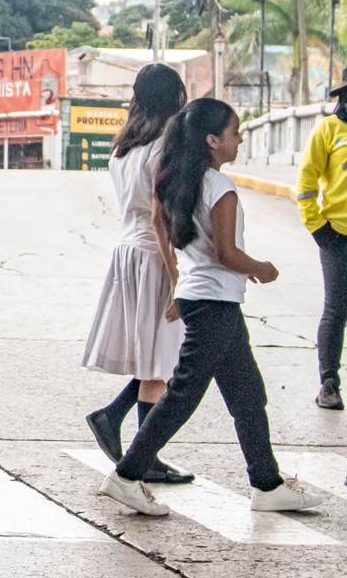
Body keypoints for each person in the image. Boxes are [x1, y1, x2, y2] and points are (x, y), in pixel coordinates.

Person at [99, 98, 328, 516]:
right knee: (182, 395)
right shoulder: (220, 187)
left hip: (202, 297)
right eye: (234, 133)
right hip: (214, 302)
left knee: (247, 393)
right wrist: (261, 268)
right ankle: (127, 475)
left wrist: (178, 285)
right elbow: (226, 253)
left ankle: (267, 483)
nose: (239, 141)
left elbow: (169, 235)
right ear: (211, 140)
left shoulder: (177, 182)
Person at [82, 64, 193, 484]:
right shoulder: (167, 142)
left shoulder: (125, 145)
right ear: (176, 95)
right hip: (152, 255)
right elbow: (162, 218)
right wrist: (176, 275)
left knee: (155, 356)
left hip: (127, 251)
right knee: (160, 363)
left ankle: (114, 418)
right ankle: (145, 457)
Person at [297, 69, 347, 410]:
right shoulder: (328, 130)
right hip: (337, 236)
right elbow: (306, 183)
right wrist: (317, 227)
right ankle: (328, 384)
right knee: (336, 309)